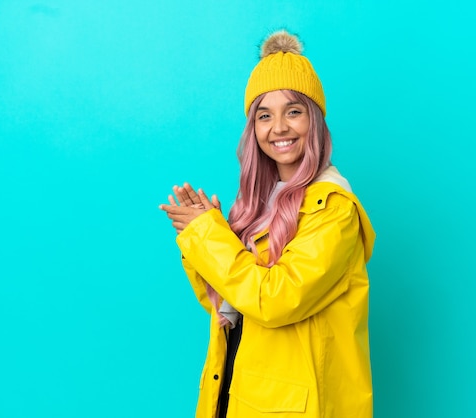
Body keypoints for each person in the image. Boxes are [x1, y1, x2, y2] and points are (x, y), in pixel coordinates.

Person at [160, 30, 376, 418]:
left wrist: (209, 237)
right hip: (242, 392)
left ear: (315, 121)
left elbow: (276, 300)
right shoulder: (261, 205)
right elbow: (229, 309)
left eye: (293, 111)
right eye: (264, 115)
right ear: (252, 129)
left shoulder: (333, 209)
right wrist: (206, 239)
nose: (278, 127)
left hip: (296, 407)